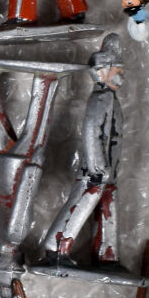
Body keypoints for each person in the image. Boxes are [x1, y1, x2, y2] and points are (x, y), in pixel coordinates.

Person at [40, 33, 124, 269]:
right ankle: (55, 248)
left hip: (109, 169)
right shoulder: (100, 98)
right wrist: (97, 166)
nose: (121, 74)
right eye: (117, 70)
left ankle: (107, 255)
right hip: (96, 170)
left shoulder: (110, 97)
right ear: (102, 72)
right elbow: (91, 130)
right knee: (81, 204)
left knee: (108, 204)